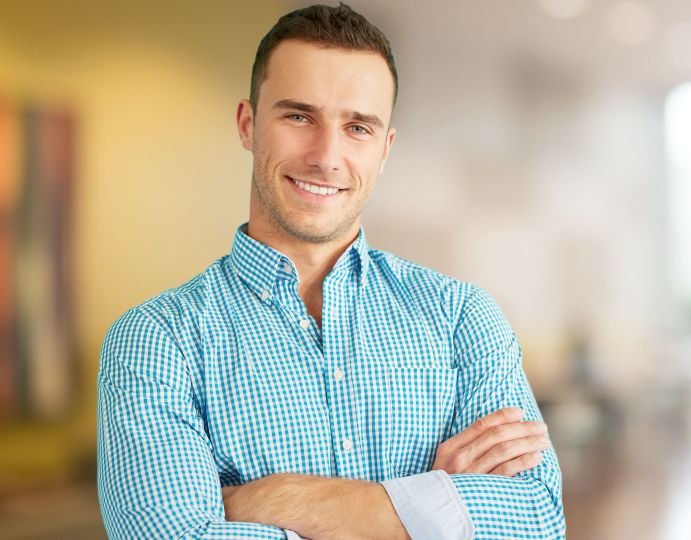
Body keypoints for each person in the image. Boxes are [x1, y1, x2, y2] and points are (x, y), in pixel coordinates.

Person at [96, 3, 565, 539]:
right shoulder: (155, 341)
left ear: (384, 149)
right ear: (248, 125)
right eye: (299, 116)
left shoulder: (460, 317)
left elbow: (536, 521)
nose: (326, 155)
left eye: (358, 127)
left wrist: (283, 502)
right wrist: (430, 508)